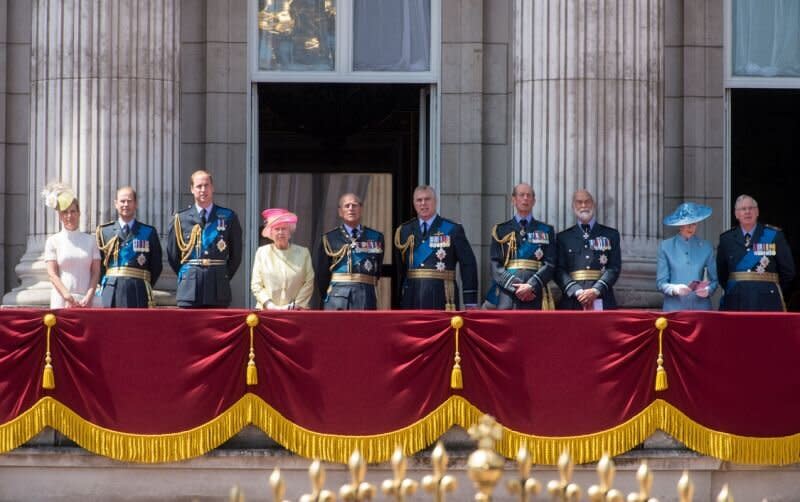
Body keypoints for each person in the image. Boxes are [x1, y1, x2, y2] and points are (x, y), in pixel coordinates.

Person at [166, 170, 243, 308]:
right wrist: (187, 275)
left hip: (218, 287)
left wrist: (222, 276)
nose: (203, 190)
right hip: (189, 288)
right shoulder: (180, 219)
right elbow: (173, 255)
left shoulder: (228, 217)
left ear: (212, 188)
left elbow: (236, 255)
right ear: (192, 189)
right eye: (199, 186)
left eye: (206, 185)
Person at [394, 185, 478, 310]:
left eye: (427, 199)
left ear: (435, 201)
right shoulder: (404, 231)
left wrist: (470, 301)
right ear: (414, 203)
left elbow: (468, 264)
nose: (423, 203)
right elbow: (400, 269)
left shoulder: (452, 229)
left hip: (442, 295)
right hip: (412, 294)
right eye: (419, 200)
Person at [717, 194, 795, 311]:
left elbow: (788, 271)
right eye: (743, 209)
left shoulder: (774, 235)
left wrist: (770, 289)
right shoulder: (726, 239)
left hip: (768, 301)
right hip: (736, 300)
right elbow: (722, 274)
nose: (747, 212)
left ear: (757, 212)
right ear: (736, 214)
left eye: (751, 208)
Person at [488, 183, 556, 309]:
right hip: (508, 293)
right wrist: (516, 286)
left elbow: (550, 264)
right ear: (513, 200)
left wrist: (530, 286)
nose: (525, 198)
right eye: (521, 195)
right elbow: (494, 265)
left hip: (535, 293)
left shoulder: (546, 230)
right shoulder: (500, 230)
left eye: (529, 195)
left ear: (534, 201)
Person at [95, 187, 163, 307]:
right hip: (111, 290)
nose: (126, 204)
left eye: (129, 201)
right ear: (116, 204)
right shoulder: (104, 231)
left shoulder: (148, 232)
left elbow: (156, 265)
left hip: (138, 290)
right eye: (122, 201)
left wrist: (143, 283)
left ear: (135, 204)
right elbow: (98, 265)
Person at [315, 193, 384, 310]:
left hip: (366, 295)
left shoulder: (376, 237)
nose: (351, 209)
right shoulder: (329, 238)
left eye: (354, 205)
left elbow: (377, 269)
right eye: (347, 206)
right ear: (340, 212)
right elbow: (322, 275)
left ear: (361, 209)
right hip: (337, 298)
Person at [555, 189, 621, 310]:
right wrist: (576, 291)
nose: (583, 205)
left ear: (593, 204)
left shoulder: (611, 234)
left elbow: (614, 267)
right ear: (573, 206)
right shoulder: (563, 237)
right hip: (572, 300)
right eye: (579, 202)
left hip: (602, 297)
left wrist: (596, 290)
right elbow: (559, 270)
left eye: (587, 202)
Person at [42, 183, 101, 308]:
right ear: (60, 216)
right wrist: (67, 296)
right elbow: (52, 274)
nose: (69, 216)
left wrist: (89, 296)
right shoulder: (53, 241)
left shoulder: (91, 240)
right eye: (65, 212)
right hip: (62, 299)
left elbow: (96, 272)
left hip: (87, 300)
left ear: (79, 213)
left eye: (73, 211)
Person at [656, 202, 718, 311]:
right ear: (679, 225)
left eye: (693, 223)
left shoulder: (706, 247)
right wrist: (674, 289)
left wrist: (708, 290)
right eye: (686, 223)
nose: (690, 227)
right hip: (674, 308)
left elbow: (715, 280)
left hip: (701, 308)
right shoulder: (666, 246)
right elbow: (661, 283)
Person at [251, 208, 314, 310]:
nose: (280, 232)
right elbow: (256, 284)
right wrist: (270, 306)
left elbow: (309, 281)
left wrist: (296, 305)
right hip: (268, 311)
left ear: (290, 232)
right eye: (276, 229)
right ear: (271, 233)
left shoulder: (303, 253)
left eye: (284, 229)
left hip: (297, 312)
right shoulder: (262, 253)